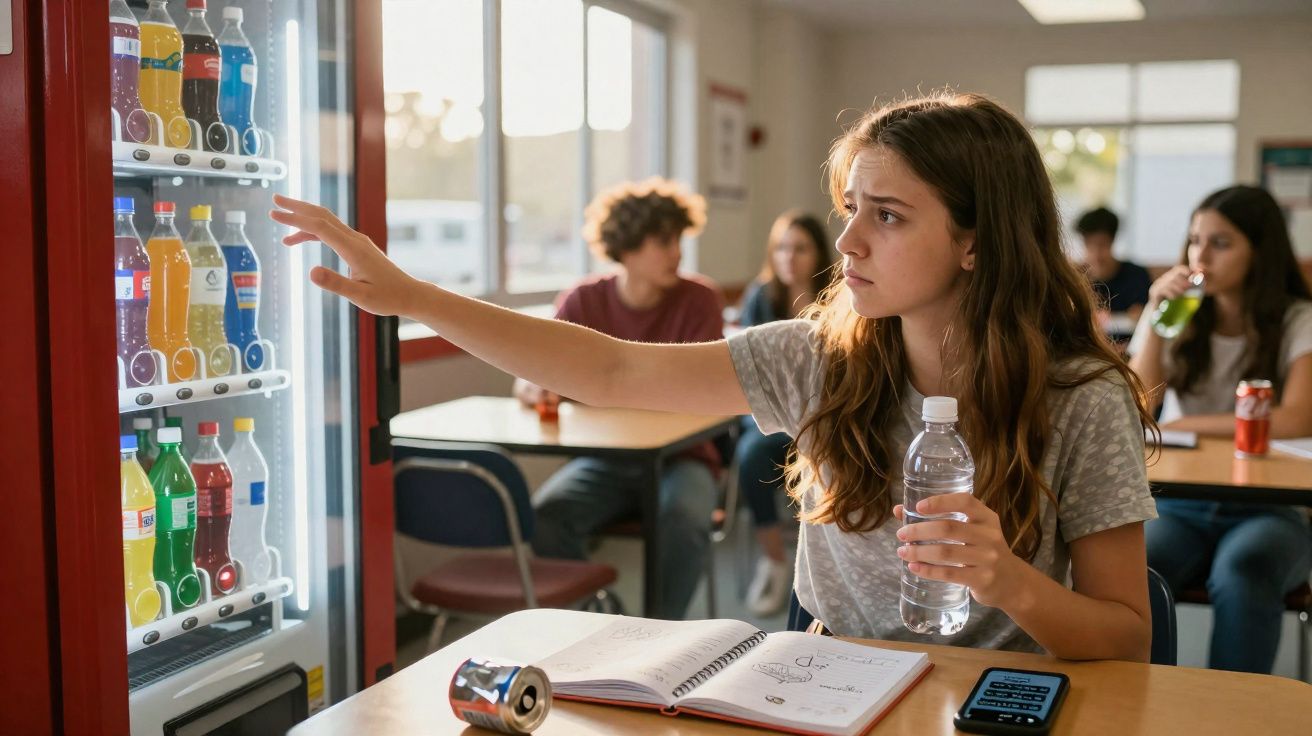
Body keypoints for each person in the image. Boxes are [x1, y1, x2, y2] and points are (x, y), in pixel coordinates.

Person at [272, 91, 1158, 660]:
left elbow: (1124, 637)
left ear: (975, 241)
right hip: (828, 676)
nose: (847, 242)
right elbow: (608, 367)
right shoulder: (818, 357)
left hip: (1002, 699)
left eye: (886, 216)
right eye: (851, 209)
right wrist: (414, 297)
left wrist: (1007, 581)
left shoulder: (1082, 399)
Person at [511, 177, 725, 621]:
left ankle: (658, 634)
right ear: (627, 246)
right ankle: (601, 621)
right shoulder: (584, 301)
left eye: (679, 240)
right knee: (546, 516)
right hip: (607, 459)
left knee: (684, 520)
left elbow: (701, 391)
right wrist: (534, 384)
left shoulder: (698, 299)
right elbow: (530, 374)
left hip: (682, 457)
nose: (677, 253)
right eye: (663, 241)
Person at [1127, 185, 1312, 674]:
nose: (1200, 255)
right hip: (1179, 500)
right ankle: (1139, 708)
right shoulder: (1179, 311)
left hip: (1268, 508)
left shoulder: (1298, 320)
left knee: (1244, 571)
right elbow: (1140, 403)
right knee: (1137, 569)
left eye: (1220, 243)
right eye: (1194, 240)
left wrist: (1188, 423)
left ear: (1260, 251)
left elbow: (1294, 419)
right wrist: (1156, 317)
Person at [736, 210, 834, 615]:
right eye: (780, 248)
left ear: (818, 254)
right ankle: (775, 562)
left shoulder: (841, 297)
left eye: (799, 248)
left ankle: (818, 565)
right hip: (773, 421)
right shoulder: (762, 297)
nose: (788, 257)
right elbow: (744, 379)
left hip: (826, 419)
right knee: (749, 454)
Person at [1076, 206, 1152, 324]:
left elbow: (1148, 315)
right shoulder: (1076, 278)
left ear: (1112, 241)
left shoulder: (1136, 276)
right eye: (1089, 244)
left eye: (1102, 244)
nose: (1096, 254)